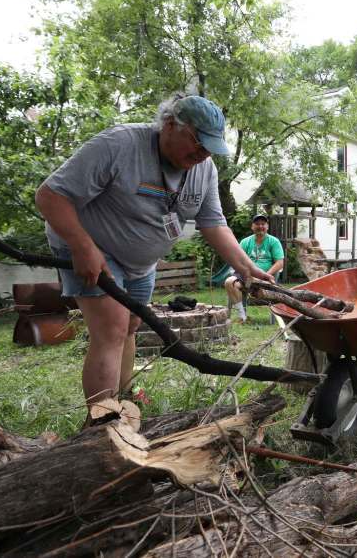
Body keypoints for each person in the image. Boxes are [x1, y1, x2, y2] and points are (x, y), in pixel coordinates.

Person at [35, 94, 274, 418]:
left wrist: (246, 268)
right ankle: (102, 424)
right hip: (93, 247)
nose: (202, 154)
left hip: (141, 262)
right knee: (112, 329)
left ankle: (122, 399)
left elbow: (213, 223)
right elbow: (50, 196)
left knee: (132, 325)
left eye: (209, 148)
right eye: (197, 143)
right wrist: (83, 246)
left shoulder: (204, 169)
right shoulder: (118, 145)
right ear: (171, 124)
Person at [223, 214, 285, 323]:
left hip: (266, 279)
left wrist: (265, 275)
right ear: (252, 226)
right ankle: (242, 316)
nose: (260, 226)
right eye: (257, 224)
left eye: (263, 224)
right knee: (229, 282)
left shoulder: (274, 241)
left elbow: (280, 263)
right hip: (246, 277)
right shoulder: (245, 242)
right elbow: (238, 260)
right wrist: (247, 274)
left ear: (267, 226)